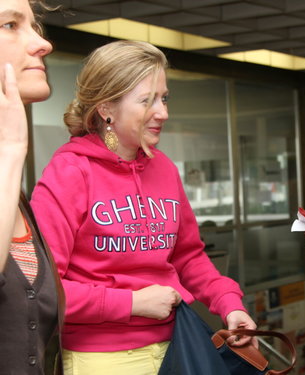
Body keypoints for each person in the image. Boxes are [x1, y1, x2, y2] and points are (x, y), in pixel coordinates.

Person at [31, 40, 257, 375]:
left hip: (179, 344)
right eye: (148, 100)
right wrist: (132, 303)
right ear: (107, 108)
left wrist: (229, 304)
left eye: (164, 98)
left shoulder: (163, 168)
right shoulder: (70, 173)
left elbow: (189, 256)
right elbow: (42, 287)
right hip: (103, 358)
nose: (163, 112)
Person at [0, 0, 64, 374]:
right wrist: (9, 152)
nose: (43, 43)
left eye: (34, 25)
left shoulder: (17, 194)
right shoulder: (9, 166)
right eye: (10, 25)